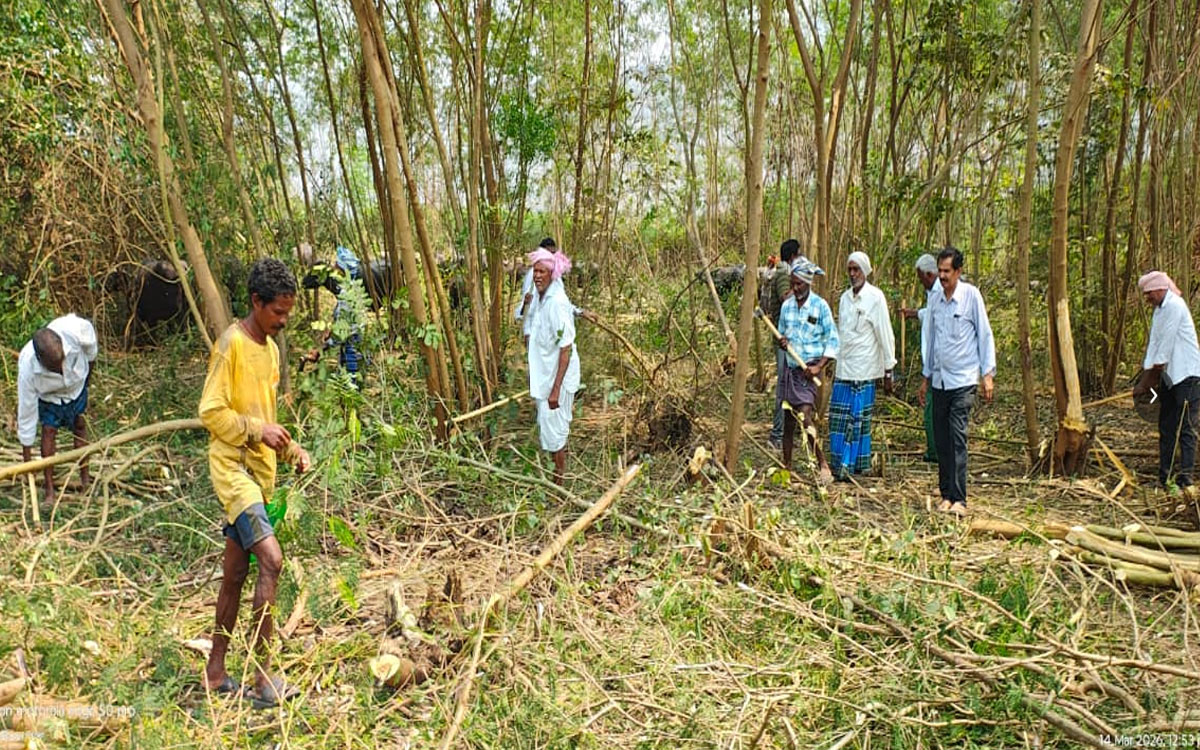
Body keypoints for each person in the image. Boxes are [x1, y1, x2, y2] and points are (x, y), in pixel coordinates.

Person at [199, 258, 311, 707]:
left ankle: (215, 672)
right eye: (277, 313)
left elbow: (268, 419)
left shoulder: (272, 350)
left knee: (235, 575)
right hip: (233, 472)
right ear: (255, 303)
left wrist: (289, 448)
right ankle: (264, 679)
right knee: (272, 560)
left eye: (288, 313)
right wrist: (254, 431)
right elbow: (210, 412)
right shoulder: (231, 345)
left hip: (260, 475)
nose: (283, 321)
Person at [918, 247, 995, 516]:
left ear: (958, 271)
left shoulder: (971, 297)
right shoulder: (935, 300)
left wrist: (987, 374)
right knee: (941, 440)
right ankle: (946, 495)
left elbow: (984, 334)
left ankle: (960, 498)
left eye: (947, 271)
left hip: (963, 380)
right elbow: (932, 339)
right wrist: (926, 376)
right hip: (939, 381)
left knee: (957, 436)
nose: (942, 276)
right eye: (939, 271)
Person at [16, 314, 98, 505]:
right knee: (48, 432)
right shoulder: (28, 366)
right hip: (50, 399)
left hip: (77, 388)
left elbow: (92, 351)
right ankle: (49, 490)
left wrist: (87, 381)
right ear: (39, 359)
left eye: (61, 360)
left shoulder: (77, 330)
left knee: (80, 426)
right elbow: (26, 413)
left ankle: (85, 480)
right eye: (54, 367)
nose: (61, 368)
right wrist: (28, 464)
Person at [1132, 271, 1200, 500]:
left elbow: (1167, 345)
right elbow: (1155, 343)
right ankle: (1166, 476)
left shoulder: (1175, 306)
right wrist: (1145, 375)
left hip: (1188, 375)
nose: (1147, 298)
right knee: (1166, 425)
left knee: (1186, 427)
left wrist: (1149, 379)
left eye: (1149, 293)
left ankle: (1186, 477)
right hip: (1170, 377)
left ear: (1160, 289)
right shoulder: (1159, 311)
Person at [830, 251, 895, 479]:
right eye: (849, 269)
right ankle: (840, 463)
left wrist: (889, 369)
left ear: (865, 271)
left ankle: (852, 466)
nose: (852, 273)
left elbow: (885, 333)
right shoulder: (844, 299)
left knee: (857, 419)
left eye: (856, 269)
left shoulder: (875, 298)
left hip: (864, 369)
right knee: (839, 419)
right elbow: (841, 334)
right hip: (844, 369)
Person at [776, 257, 838, 481]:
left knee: (805, 416)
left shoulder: (820, 306)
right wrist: (782, 342)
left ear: (808, 283)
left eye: (799, 284)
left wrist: (818, 366)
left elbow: (833, 341)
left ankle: (823, 465)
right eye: (793, 283)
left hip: (809, 372)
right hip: (790, 371)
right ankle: (787, 466)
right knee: (789, 422)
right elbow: (781, 335)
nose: (795, 288)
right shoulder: (787, 306)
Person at [526, 246, 582, 485]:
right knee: (549, 427)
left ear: (551, 274)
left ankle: (559, 483)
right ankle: (555, 475)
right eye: (535, 271)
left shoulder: (556, 302)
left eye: (542, 271)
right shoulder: (541, 298)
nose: (537, 276)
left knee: (555, 429)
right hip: (546, 373)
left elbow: (565, 348)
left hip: (557, 377)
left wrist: (556, 388)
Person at [303, 247, 366, 387]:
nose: (334, 269)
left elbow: (341, 334)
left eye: (336, 266)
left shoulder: (346, 297)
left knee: (350, 386)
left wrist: (320, 351)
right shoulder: (354, 290)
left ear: (342, 271)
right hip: (354, 346)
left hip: (351, 350)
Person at [514, 237, 593, 345]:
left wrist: (580, 312)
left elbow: (562, 302)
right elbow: (528, 307)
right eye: (547, 253)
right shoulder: (534, 276)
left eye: (553, 253)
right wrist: (527, 333)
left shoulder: (556, 276)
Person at [901, 254, 940, 461]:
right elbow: (929, 313)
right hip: (933, 364)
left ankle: (935, 452)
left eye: (920, 277)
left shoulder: (941, 291)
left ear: (928, 274)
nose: (919, 282)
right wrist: (913, 313)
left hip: (938, 364)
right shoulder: (933, 293)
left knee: (932, 410)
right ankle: (936, 450)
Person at [764, 239, 801, 449]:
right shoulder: (783, 275)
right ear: (794, 255)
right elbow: (786, 298)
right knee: (783, 386)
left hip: (791, 340)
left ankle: (787, 434)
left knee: (792, 387)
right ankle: (777, 435)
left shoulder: (786, 273)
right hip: (782, 340)